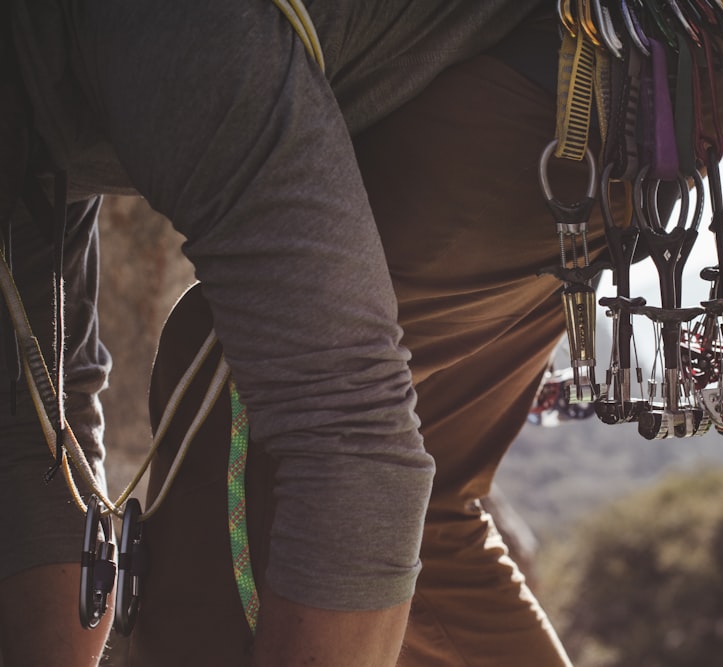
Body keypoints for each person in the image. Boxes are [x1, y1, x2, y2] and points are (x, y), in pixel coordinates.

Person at [1, 1, 605, 665]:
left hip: (590, 76)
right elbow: (29, 434)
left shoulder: (159, 36)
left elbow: (348, 427)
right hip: (593, 84)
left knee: (234, 388)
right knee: (428, 517)